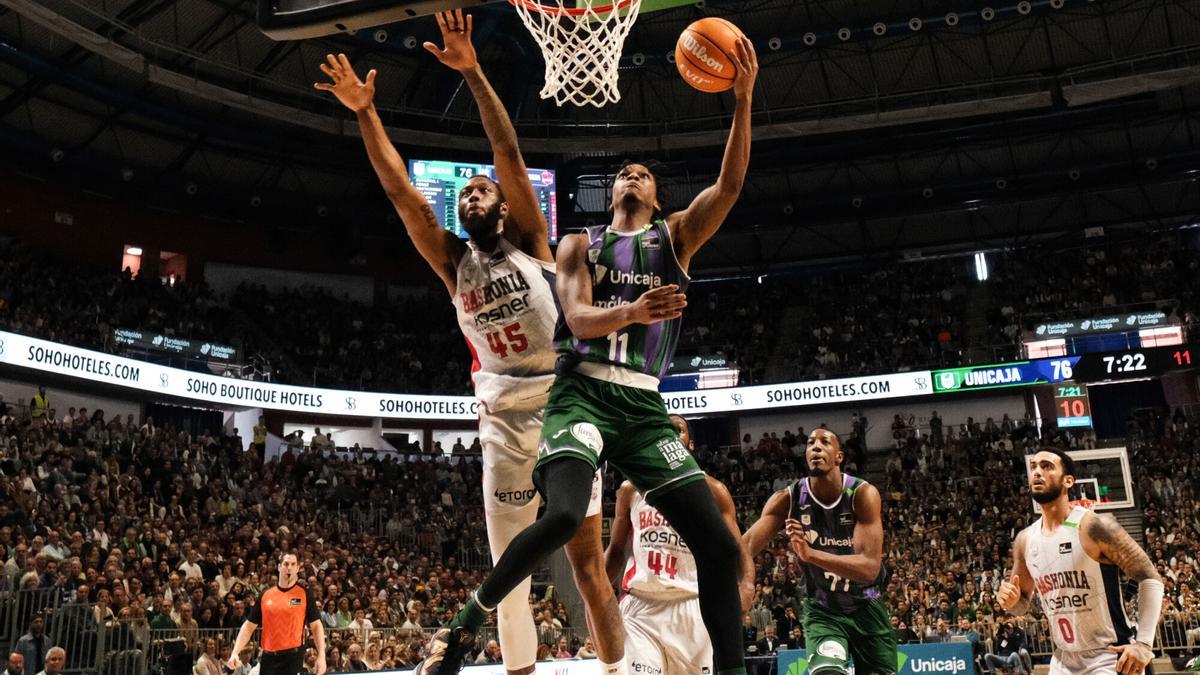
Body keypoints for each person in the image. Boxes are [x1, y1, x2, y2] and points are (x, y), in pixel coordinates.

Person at [412, 14, 758, 675]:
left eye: (642, 172)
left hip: (644, 406)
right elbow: (575, 318)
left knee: (718, 548)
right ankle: (466, 624)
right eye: (623, 170)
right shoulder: (579, 245)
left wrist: (742, 100)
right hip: (581, 394)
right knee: (566, 515)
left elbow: (732, 185)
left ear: (655, 197)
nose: (630, 172)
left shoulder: (676, 237)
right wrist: (633, 310)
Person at [315, 12, 622, 675]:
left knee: (587, 563)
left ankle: (614, 669)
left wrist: (474, 72)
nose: (474, 195)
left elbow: (507, 152)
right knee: (508, 575)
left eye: (483, 190)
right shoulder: (454, 262)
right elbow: (401, 193)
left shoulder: (533, 241)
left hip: (566, 408)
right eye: (466, 194)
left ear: (506, 208)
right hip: (503, 427)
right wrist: (366, 113)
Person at [604, 415, 754, 674]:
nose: (671, 434)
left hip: (692, 605)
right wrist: (596, 587)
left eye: (679, 430)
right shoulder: (630, 490)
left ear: (691, 444)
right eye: (664, 430)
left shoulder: (714, 490)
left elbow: (736, 547)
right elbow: (616, 550)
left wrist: (747, 584)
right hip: (641, 606)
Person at [744, 429, 897, 675]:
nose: (816, 446)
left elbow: (869, 569)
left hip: (867, 607)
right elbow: (745, 548)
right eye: (810, 443)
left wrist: (810, 554)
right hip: (823, 610)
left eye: (824, 442)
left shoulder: (862, 494)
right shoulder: (788, 499)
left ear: (839, 457)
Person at [998, 447, 1164, 675]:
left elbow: (1149, 577)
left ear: (1068, 481)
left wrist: (1144, 643)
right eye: (1033, 467)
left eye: (1047, 466)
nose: (1037, 472)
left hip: (1109, 656)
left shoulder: (1096, 526)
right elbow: (1021, 604)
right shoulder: (1024, 540)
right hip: (1063, 660)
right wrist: (1010, 602)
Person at [227, 553, 326, 675]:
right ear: (279, 567)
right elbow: (248, 626)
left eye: (293, 564)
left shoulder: (305, 594)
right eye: (286, 564)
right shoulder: (265, 595)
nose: (289, 568)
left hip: (293, 658)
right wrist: (235, 652)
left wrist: (322, 656)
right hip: (268, 658)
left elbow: (316, 626)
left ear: (297, 568)